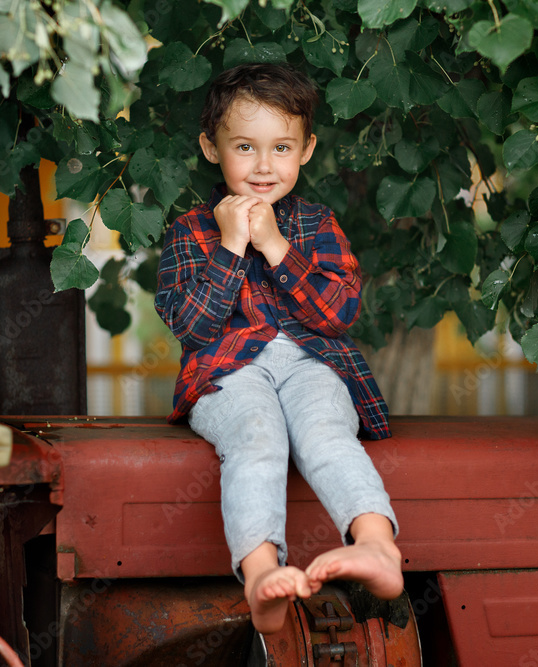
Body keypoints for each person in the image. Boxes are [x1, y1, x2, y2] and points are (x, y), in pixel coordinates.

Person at [154, 63, 402, 634]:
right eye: (245, 145)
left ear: (306, 150)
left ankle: (376, 546)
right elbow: (193, 329)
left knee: (324, 435)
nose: (264, 165)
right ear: (211, 148)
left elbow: (337, 315)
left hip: (314, 365)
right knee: (257, 438)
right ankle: (262, 573)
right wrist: (231, 246)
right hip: (227, 375)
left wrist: (274, 245)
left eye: (281, 147)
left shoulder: (317, 224)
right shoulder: (191, 230)